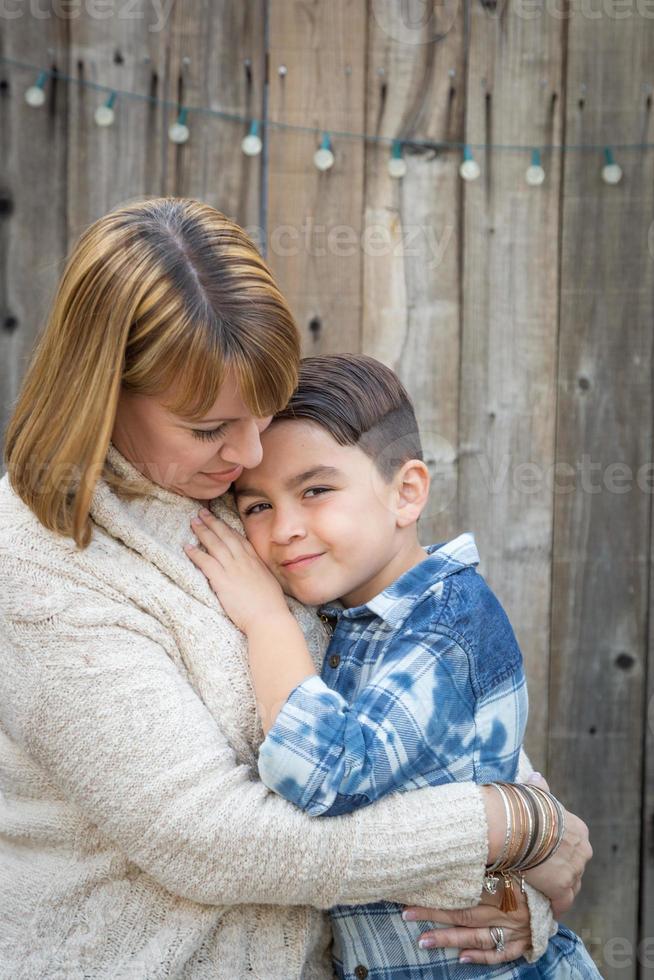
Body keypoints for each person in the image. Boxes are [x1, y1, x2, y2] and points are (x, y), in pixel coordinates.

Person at [0, 197, 591, 979]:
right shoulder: (41, 564)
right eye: (211, 428)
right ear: (103, 394)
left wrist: (531, 872)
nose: (249, 453)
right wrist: (504, 829)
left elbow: (416, 702)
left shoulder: (251, 491)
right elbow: (213, 840)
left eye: (264, 411)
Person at [185, 353, 602, 979]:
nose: (285, 529)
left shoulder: (451, 620)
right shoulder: (341, 618)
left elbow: (329, 774)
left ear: (406, 493)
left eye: (316, 490)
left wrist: (265, 620)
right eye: (256, 507)